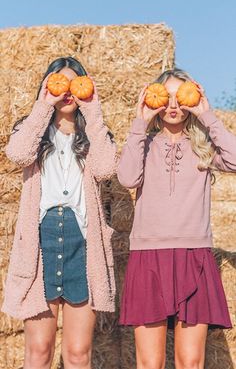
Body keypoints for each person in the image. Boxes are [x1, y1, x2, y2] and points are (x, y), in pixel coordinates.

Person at [1, 56, 117, 369]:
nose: (67, 91)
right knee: (39, 350)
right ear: (47, 87)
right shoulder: (33, 133)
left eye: (73, 83)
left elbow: (106, 168)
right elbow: (18, 154)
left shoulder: (93, 136)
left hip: (82, 244)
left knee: (78, 353)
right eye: (58, 82)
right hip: (42, 243)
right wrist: (43, 107)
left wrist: (93, 111)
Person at [117, 68, 235, 369]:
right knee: (149, 362)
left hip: (193, 255)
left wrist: (207, 115)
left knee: (190, 361)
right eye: (164, 97)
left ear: (192, 99)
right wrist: (140, 122)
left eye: (179, 97)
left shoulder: (204, 148)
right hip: (148, 256)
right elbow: (128, 178)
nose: (172, 105)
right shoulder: (143, 144)